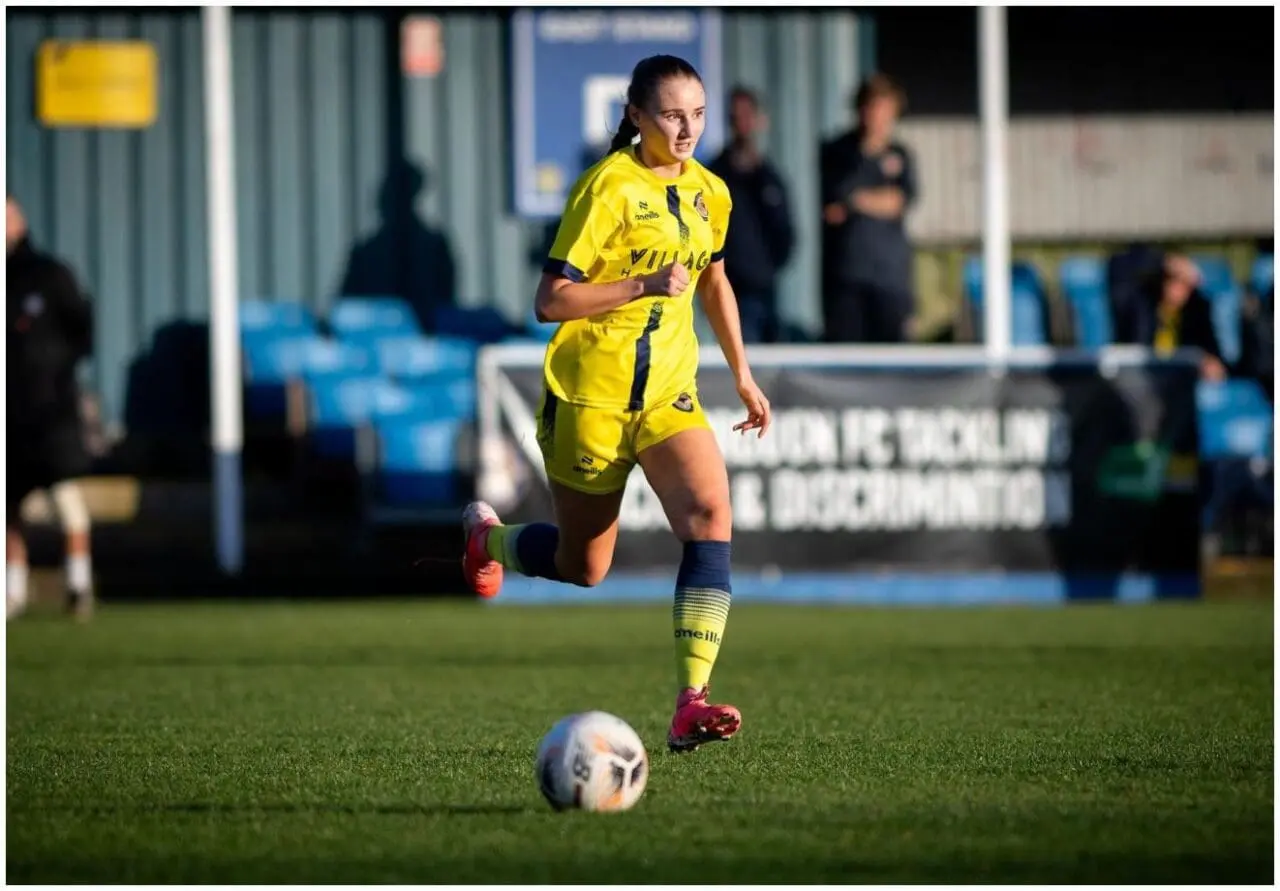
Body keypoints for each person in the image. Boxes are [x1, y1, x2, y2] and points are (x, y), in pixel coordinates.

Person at [461, 55, 772, 754]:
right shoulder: (606, 188)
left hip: (667, 392)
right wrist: (640, 285)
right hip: (590, 398)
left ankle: (690, 703)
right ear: (636, 115)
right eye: (672, 114)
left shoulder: (711, 191)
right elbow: (550, 301)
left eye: (698, 114)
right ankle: (489, 541)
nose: (688, 129)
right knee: (584, 567)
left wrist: (743, 374)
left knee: (710, 513)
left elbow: (714, 281)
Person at [6, 195, 97, 620]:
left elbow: (82, 329)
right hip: (10, 414)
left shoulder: (48, 275)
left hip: (50, 412)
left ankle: (78, 585)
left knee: (66, 500)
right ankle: (13, 592)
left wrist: (54, 371)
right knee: (9, 508)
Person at [819, 73, 918, 344]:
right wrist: (867, 199)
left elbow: (898, 201)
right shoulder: (838, 153)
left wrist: (857, 201)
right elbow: (833, 203)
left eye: (885, 110)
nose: (878, 117)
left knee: (892, 354)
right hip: (847, 278)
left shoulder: (900, 155)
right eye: (872, 108)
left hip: (890, 279)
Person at [707, 86, 795, 344]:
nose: (742, 123)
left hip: (766, 290)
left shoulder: (770, 178)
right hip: (728, 287)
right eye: (736, 116)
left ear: (759, 120)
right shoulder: (714, 177)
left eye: (747, 116)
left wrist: (765, 269)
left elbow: (785, 234)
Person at [1116, 253, 1227, 382]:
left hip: (1185, 379)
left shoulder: (1198, 310)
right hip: (1148, 376)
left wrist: (1210, 362)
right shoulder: (1143, 306)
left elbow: (1211, 351)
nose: (1178, 288)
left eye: (1185, 283)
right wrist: (1165, 263)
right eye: (1172, 279)